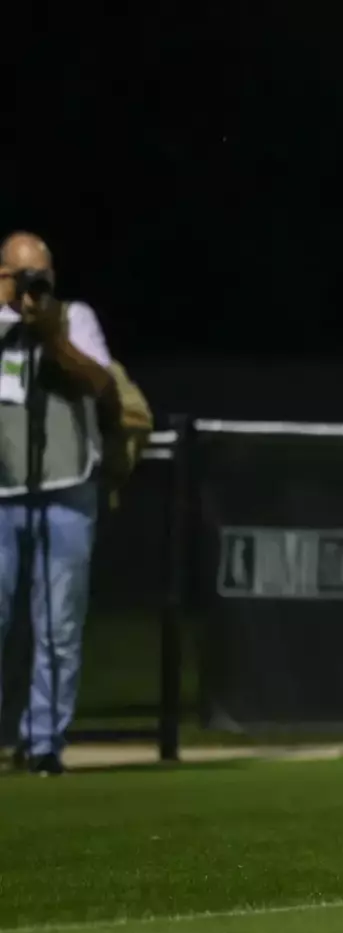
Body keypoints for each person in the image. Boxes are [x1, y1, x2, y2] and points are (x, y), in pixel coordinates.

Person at [0, 232, 120, 776]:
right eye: (21, 277)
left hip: (67, 490)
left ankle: (44, 742)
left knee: (58, 625)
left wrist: (53, 337)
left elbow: (99, 382)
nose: (33, 287)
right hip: (3, 491)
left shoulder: (75, 319)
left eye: (42, 277)